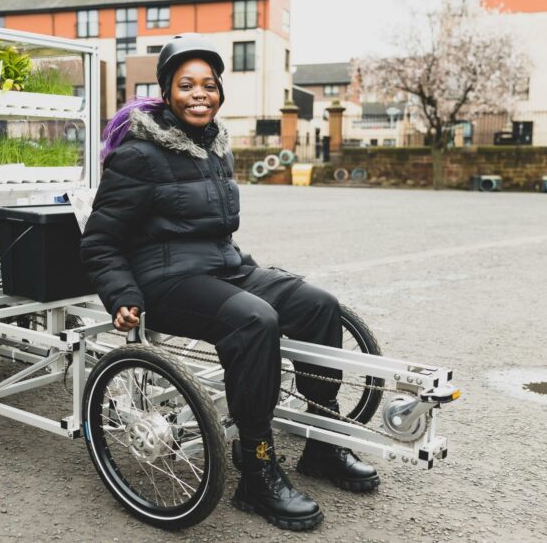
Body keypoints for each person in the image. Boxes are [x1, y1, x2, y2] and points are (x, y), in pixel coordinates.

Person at [80, 33, 379, 531]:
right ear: (167, 90)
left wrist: (251, 271)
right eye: (187, 85)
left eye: (209, 85)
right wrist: (122, 294)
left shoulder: (215, 146)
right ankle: (257, 470)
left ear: (220, 92)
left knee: (317, 304)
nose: (200, 94)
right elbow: (100, 242)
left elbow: (214, 231)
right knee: (253, 320)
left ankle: (323, 445)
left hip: (223, 267)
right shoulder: (139, 154)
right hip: (165, 279)